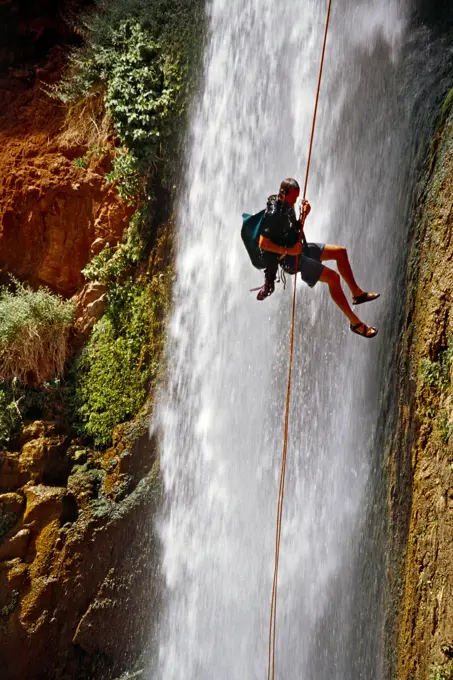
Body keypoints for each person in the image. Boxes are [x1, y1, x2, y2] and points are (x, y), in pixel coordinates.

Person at [256, 178, 379, 339]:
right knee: (333, 278)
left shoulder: (288, 205)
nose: (295, 201)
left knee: (340, 252)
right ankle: (355, 323)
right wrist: (288, 250)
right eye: (293, 197)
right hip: (290, 260)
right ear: (282, 195)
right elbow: (263, 243)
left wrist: (303, 216)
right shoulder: (272, 214)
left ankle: (357, 294)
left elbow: (293, 231)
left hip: (300, 249)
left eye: (297, 197)